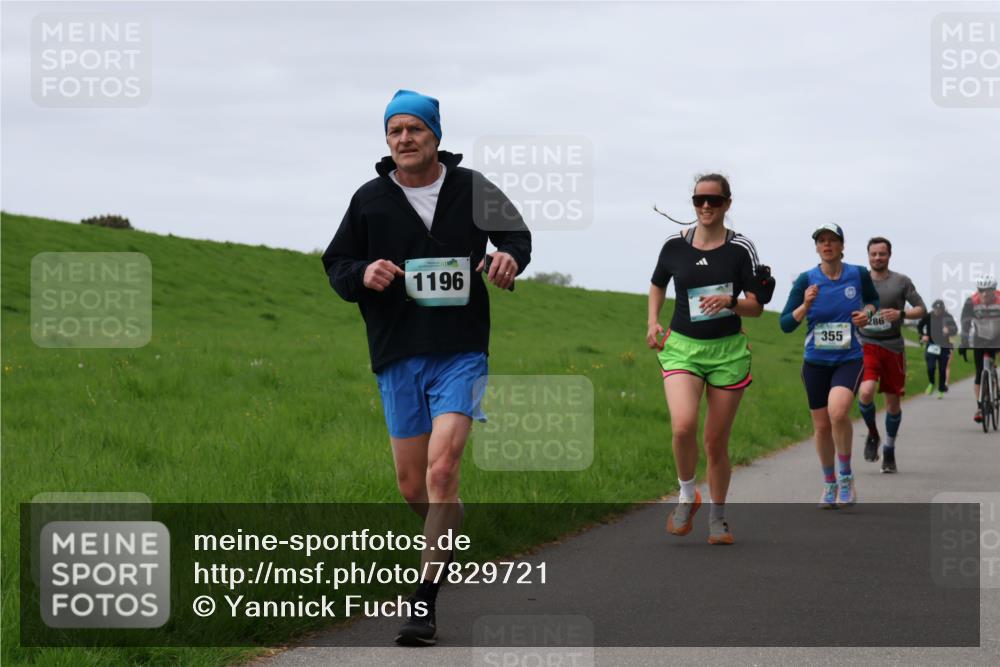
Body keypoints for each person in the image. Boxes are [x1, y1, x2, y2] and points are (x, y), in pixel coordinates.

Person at [321, 90, 531, 645]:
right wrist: (362, 274)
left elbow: (515, 236)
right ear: (387, 141)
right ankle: (449, 526)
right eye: (395, 132)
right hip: (396, 353)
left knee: (442, 471)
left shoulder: (472, 188)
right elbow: (337, 264)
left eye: (415, 129)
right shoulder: (369, 200)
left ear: (436, 135)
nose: (405, 139)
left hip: (460, 350)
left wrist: (508, 257)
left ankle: (423, 602)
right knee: (414, 485)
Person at [647, 173, 773, 545]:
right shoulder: (673, 245)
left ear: (727, 205)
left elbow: (756, 307)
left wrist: (731, 301)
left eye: (714, 201)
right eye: (699, 199)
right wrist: (652, 321)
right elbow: (658, 283)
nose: (705, 206)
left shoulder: (741, 249)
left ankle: (718, 516)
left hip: (727, 353)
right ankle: (688, 495)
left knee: (715, 441)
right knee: (683, 426)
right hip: (683, 347)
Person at [780, 224, 879, 509]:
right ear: (816, 247)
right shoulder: (806, 281)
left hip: (849, 358)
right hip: (815, 362)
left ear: (842, 245)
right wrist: (805, 305)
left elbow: (872, 301)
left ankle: (846, 476)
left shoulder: (858, 274)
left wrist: (867, 314)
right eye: (821, 241)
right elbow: (786, 324)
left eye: (832, 240)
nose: (827, 245)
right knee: (821, 426)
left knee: (838, 412)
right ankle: (829, 482)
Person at [855, 237, 926, 473]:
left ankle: (889, 449)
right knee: (865, 393)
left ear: (889, 255)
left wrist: (901, 314)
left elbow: (921, 309)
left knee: (892, 403)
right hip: (866, 344)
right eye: (873, 254)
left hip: (893, 347)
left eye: (882, 254)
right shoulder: (859, 279)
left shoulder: (901, 281)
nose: (877, 258)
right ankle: (873, 435)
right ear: (868, 256)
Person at [959, 274, 1000, 423]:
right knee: (979, 372)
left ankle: (996, 385)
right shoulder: (971, 302)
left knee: (992, 362)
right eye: (981, 290)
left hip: (998, 337)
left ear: (994, 290)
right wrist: (963, 342)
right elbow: (965, 323)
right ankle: (980, 407)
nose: (984, 293)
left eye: (988, 290)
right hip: (980, 338)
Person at [917, 299, 958, 397]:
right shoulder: (928, 316)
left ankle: (941, 389)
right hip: (931, 345)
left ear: (943, 309)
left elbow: (955, 329)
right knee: (931, 367)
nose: (937, 311)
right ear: (933, 308)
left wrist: (949, 330)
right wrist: (922, 335)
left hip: (944, 346)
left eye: (939, 309)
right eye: (936, 309)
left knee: (942, 369)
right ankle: (931, 383)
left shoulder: (948, 317)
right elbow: (919, 326)